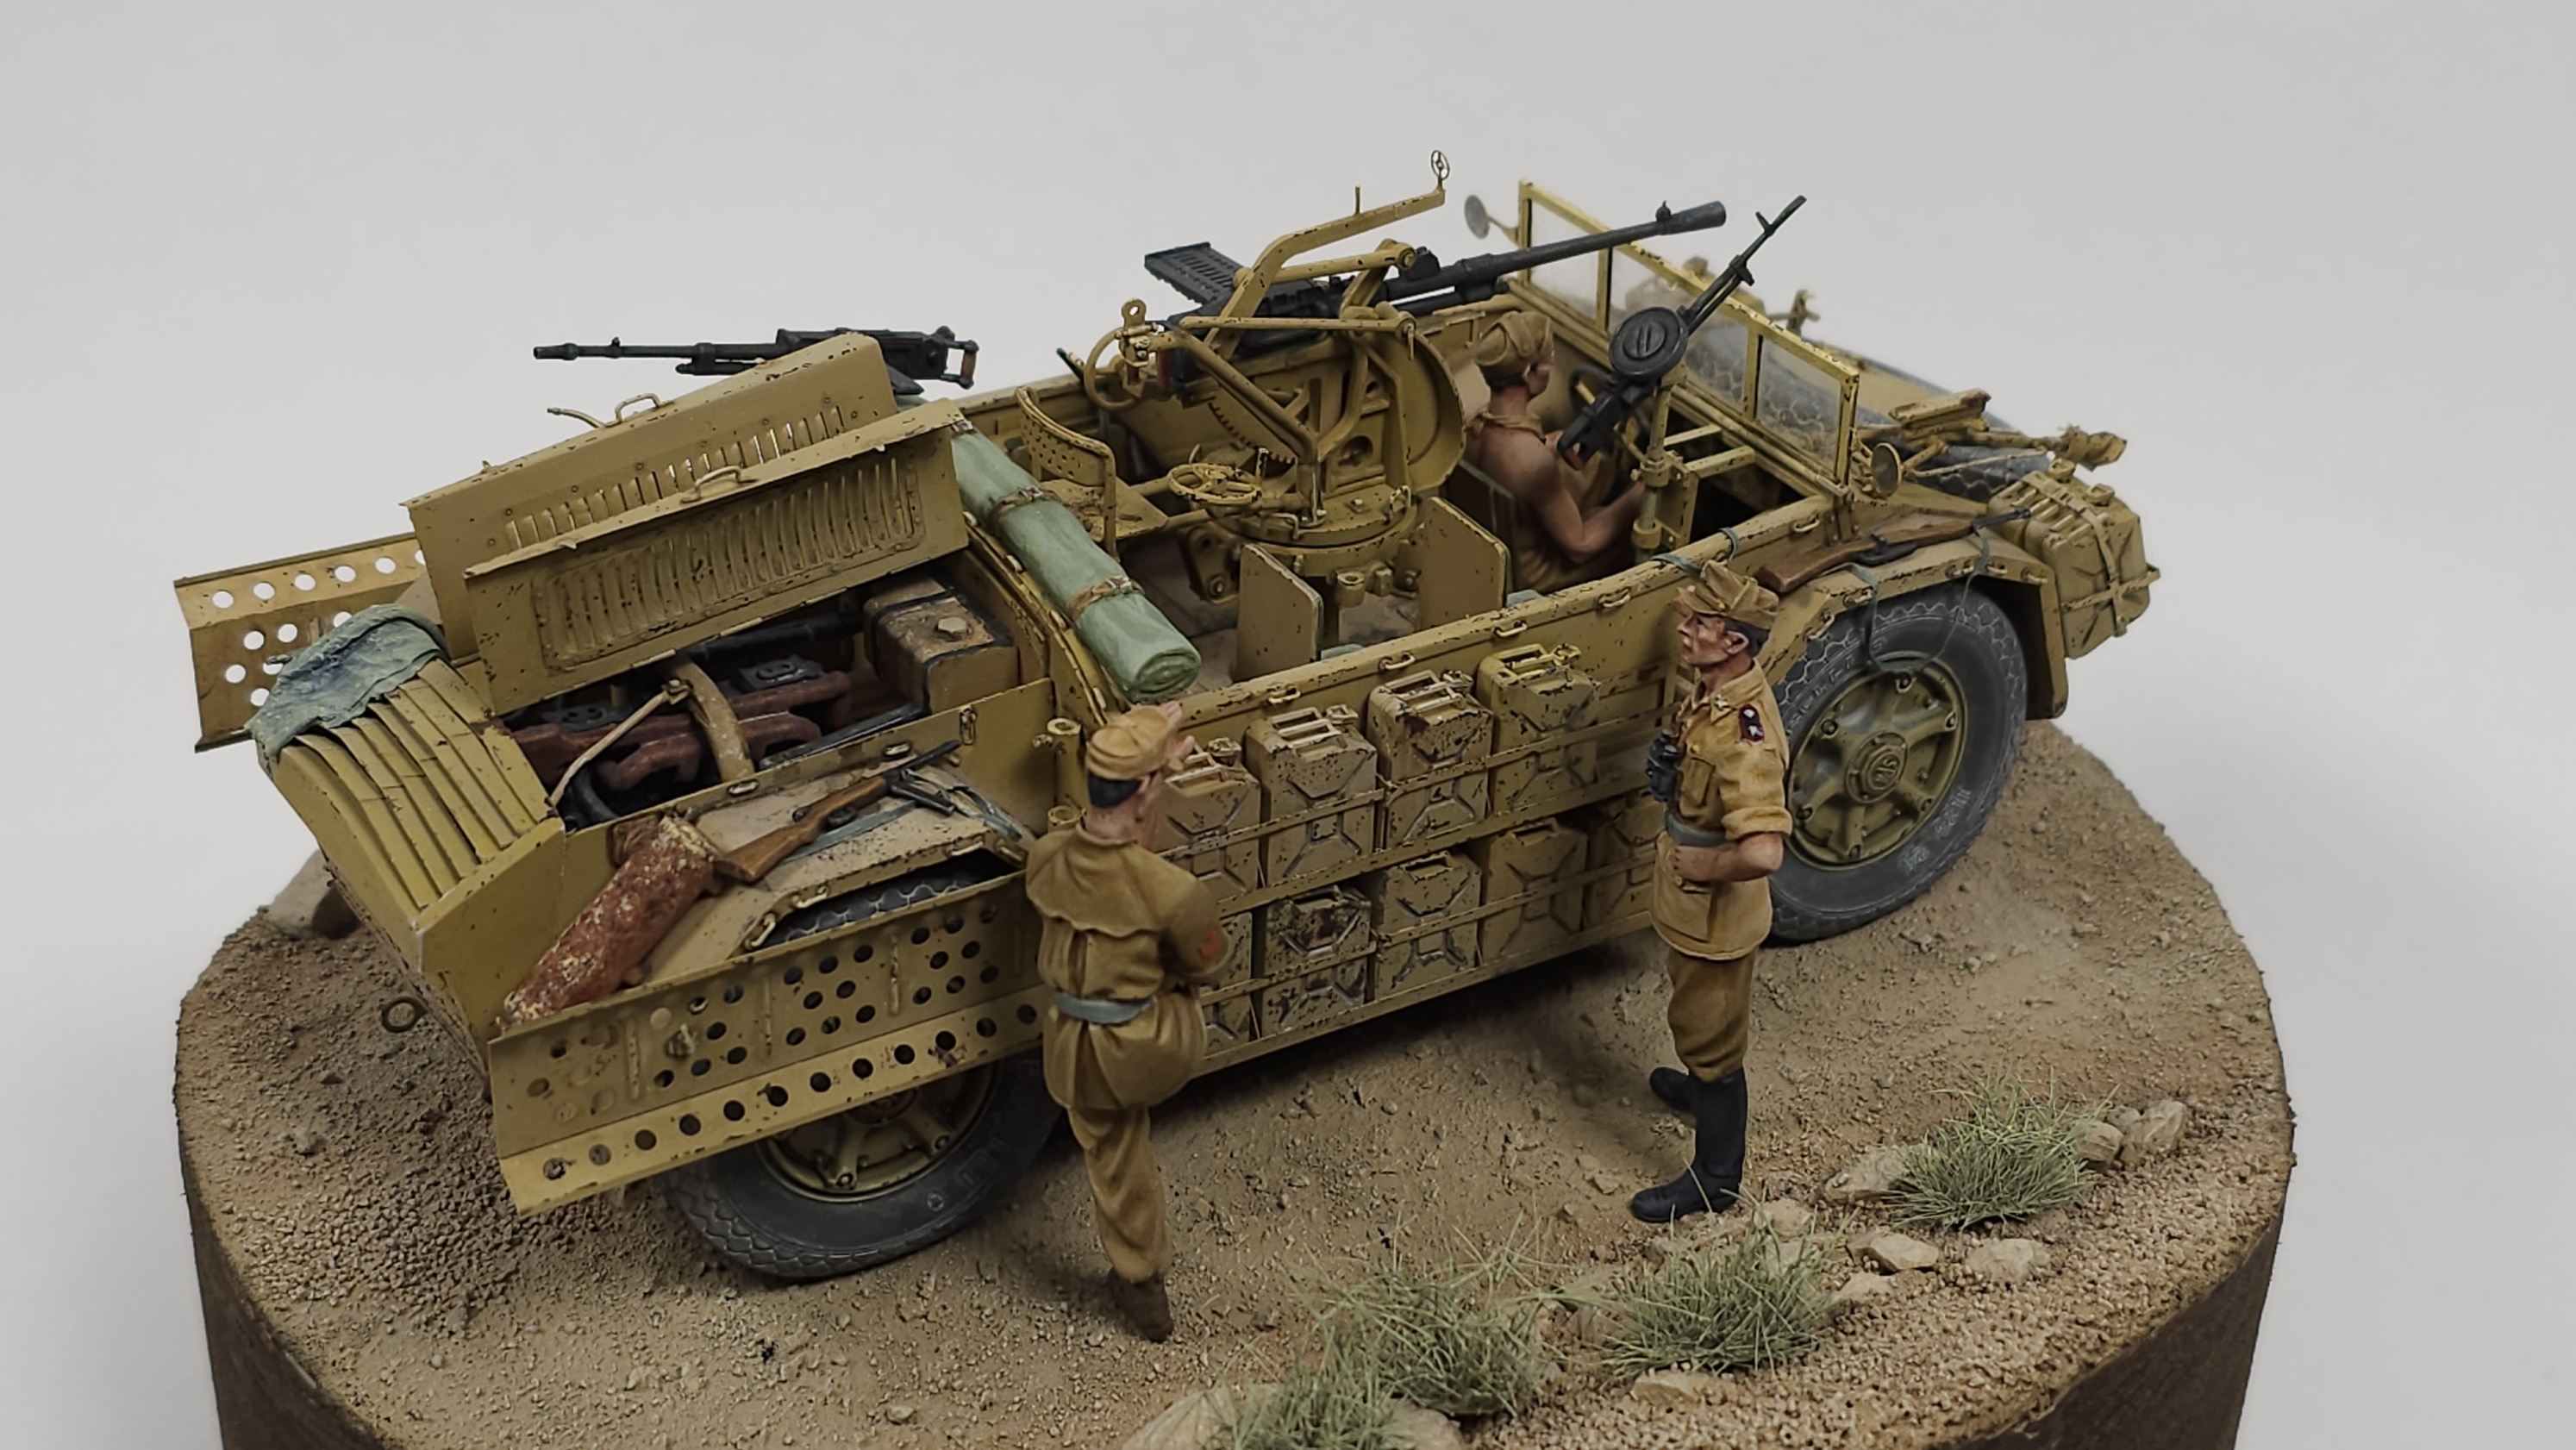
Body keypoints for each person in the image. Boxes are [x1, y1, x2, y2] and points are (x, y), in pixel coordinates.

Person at [1022, 702, 1228, 1340]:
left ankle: (1139, 1283)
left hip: (1070, 1045)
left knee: (1109, 1147)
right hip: (1146, 1045)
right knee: (1123, 1157)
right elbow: (1207, 963)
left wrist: (1145, 770)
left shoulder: (1046, 859)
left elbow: (1098, 866)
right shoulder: (1172, 892)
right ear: (1143, 792)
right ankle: (1143, 1284)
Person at [1631, 564, 1792, 1222]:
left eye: (1701, 623)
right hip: (1690, 900)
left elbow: (1763, 851)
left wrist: (1705, 863)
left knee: (1713, 1041)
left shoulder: (1745, 734)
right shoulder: (1713, 693)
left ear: (1735, 643)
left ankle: (1717, 1177)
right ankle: (1701, 1088)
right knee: (1691, 1017)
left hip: (1716, 916)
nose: (1686, 630)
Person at [1460, 310, 1644, 592]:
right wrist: (1635, 499)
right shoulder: (1532, 462)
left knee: (1593, 483)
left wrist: (1547, 445)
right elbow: (1581, 547)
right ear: (1528, 374)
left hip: (1490, 550)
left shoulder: (1472, 424)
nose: (1553, 363)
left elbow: (1509, 458)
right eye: (1549, 358)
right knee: (1630, 531)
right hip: (1533, 576)